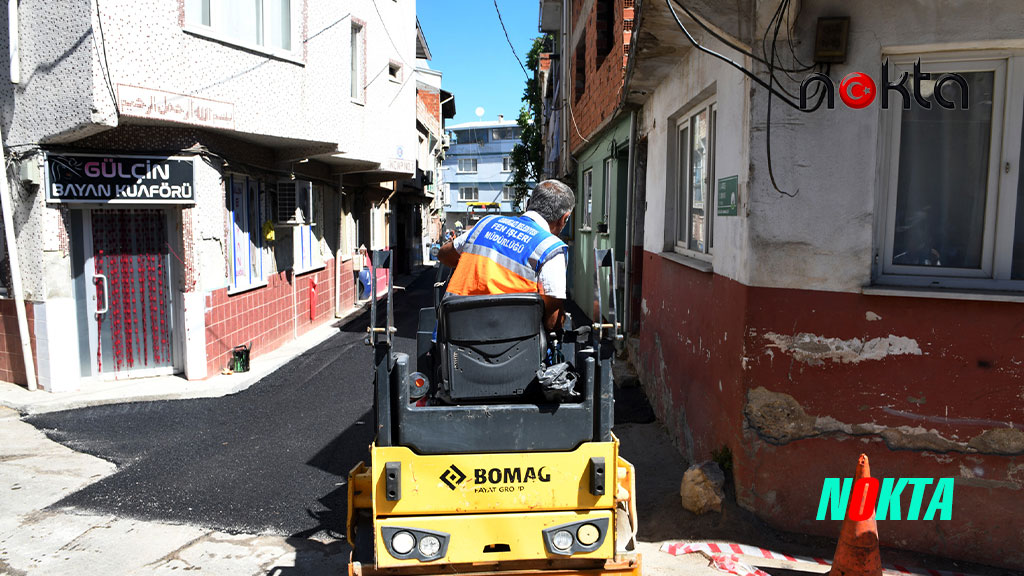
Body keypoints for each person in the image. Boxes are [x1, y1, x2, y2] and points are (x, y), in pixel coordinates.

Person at [438, 180, 573, 332]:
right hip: (514, 347)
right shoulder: (551, 248)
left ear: (528, 203)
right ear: (564, 218)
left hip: (455, 335)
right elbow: (552, 323)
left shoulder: (487, 223)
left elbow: (443, 255)